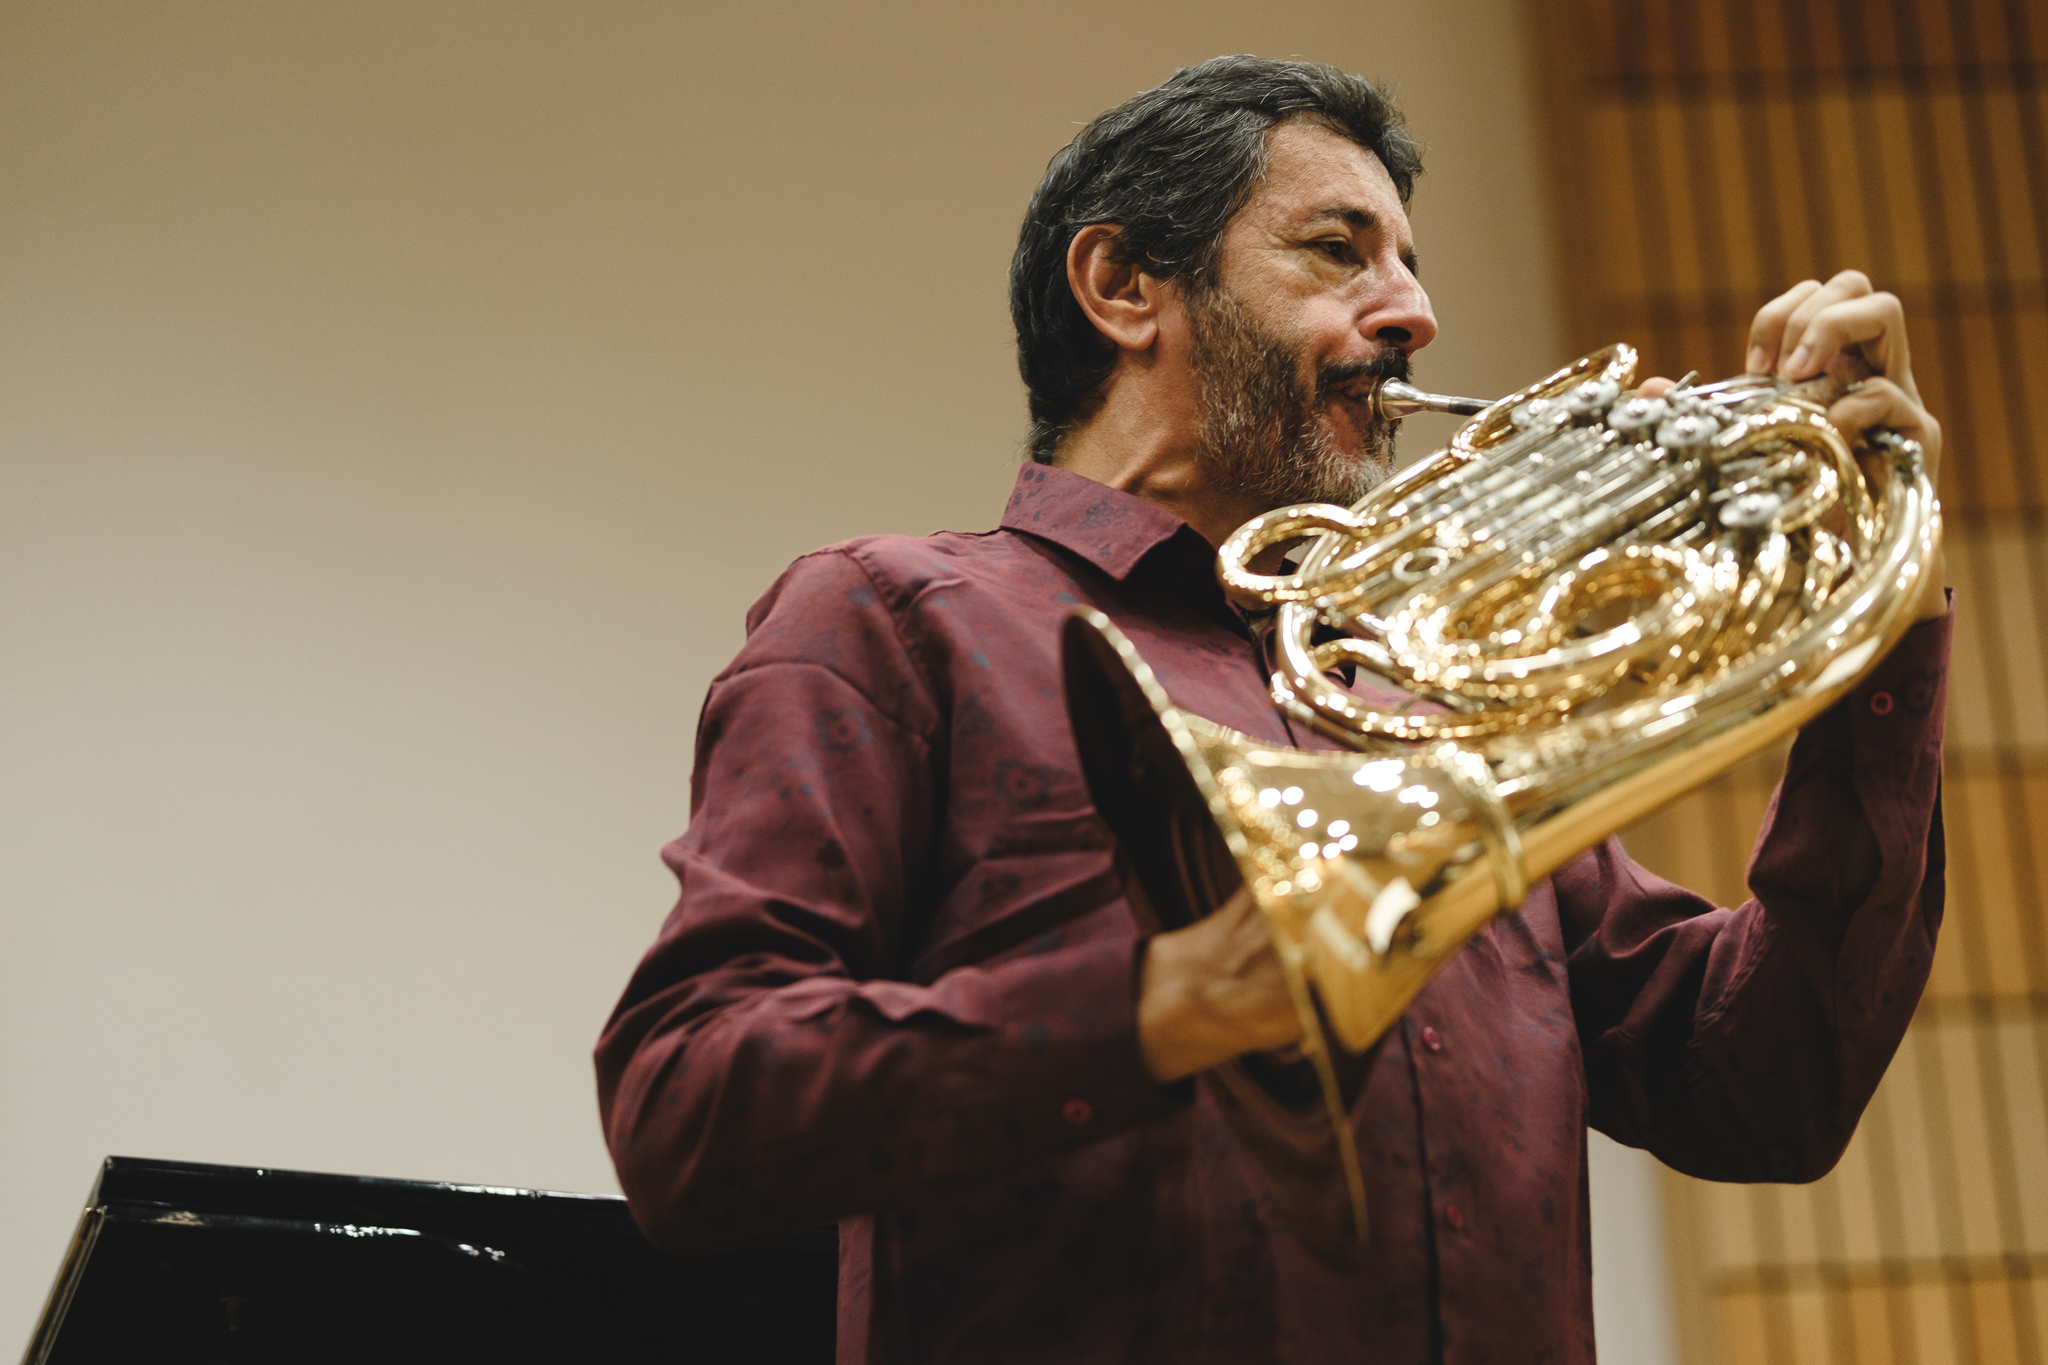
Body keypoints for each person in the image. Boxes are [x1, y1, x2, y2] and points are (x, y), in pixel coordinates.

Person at [595, 56, 1951, 1363]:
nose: (1414, 311)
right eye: (1337, 251)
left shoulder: (1431, 695)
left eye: (1411, 262)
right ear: (1124, 287)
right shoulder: (896, 620)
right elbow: (688, 1106)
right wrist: (1164, 1005)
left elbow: (1765, 1092)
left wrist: (1879, 613)